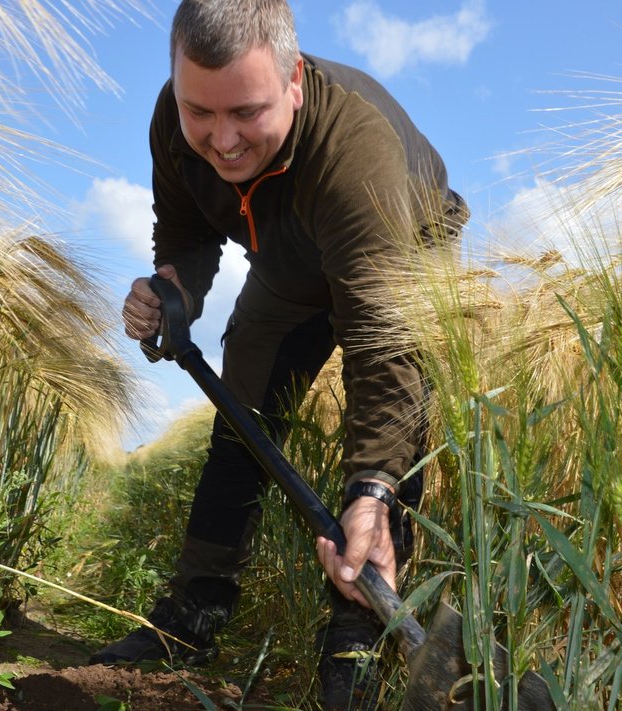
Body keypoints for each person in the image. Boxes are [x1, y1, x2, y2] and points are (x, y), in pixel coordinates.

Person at [90, 1, 467, 708]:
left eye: (246, 113)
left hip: (401, 245)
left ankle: (357, 642)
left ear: (294, 81)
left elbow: (382, 353)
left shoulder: (358, 156)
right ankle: (193, 615)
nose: (222, 140)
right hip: (288, 265)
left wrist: (371, 490)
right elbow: (185, 232)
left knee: (393, 446)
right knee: (242, 423)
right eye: (199, 112)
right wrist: (172, 290)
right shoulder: (176, 122)